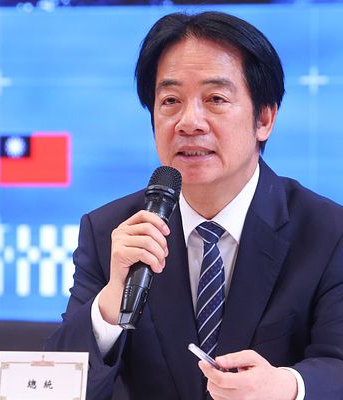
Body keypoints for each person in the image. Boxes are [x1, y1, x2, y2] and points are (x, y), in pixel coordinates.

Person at [46, 11, 343, 400]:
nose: (189, 122)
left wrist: (288, 386)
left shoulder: (328, 232)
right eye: (170, 101)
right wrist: (111, 302)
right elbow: (56, 384)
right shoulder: (110, 232)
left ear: (264, 118)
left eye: (215, 99)